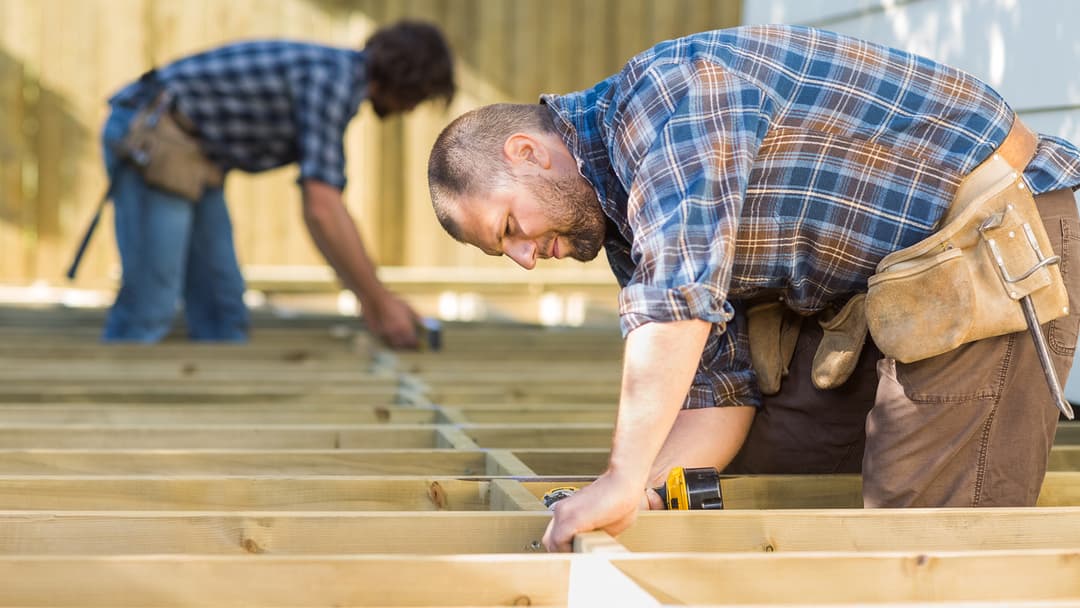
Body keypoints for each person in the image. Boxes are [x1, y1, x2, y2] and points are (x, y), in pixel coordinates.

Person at [426, 24, 1080, 551]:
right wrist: (643, 492)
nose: (523, 259)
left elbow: (677, 298)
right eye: (503, 249)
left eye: (509, 226)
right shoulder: (627, 229)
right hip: (893, 294)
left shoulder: (663, 99)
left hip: (989, 244)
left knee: (922, 538)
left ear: (527, 152)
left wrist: (622, 474)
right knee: (776, 463)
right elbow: (720, 393)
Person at [97, 21, 455, 346]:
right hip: (153, 134)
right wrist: (379, 302)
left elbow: (323, 214)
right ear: (407, 80)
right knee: (150, 305)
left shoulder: (338, 78)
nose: (411, 110)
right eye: (419, 98)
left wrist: (373, 300)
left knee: (222, 316)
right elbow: (322, 209)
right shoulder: (332, 80)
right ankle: (112, 402)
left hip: (195, 153)